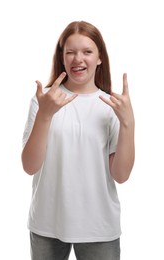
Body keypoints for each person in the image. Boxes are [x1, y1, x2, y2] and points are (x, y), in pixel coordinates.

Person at [21, 20, 135, 260]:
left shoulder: (111, 107)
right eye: (70, 52)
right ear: (62, 58)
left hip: (99, 227)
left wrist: (128, 123)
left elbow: (122, 175)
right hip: (47, 223)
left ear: (100, 58)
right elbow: (29, 166)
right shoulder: (43, 102)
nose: (78, 59)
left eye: (87, 51)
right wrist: (45, 115)